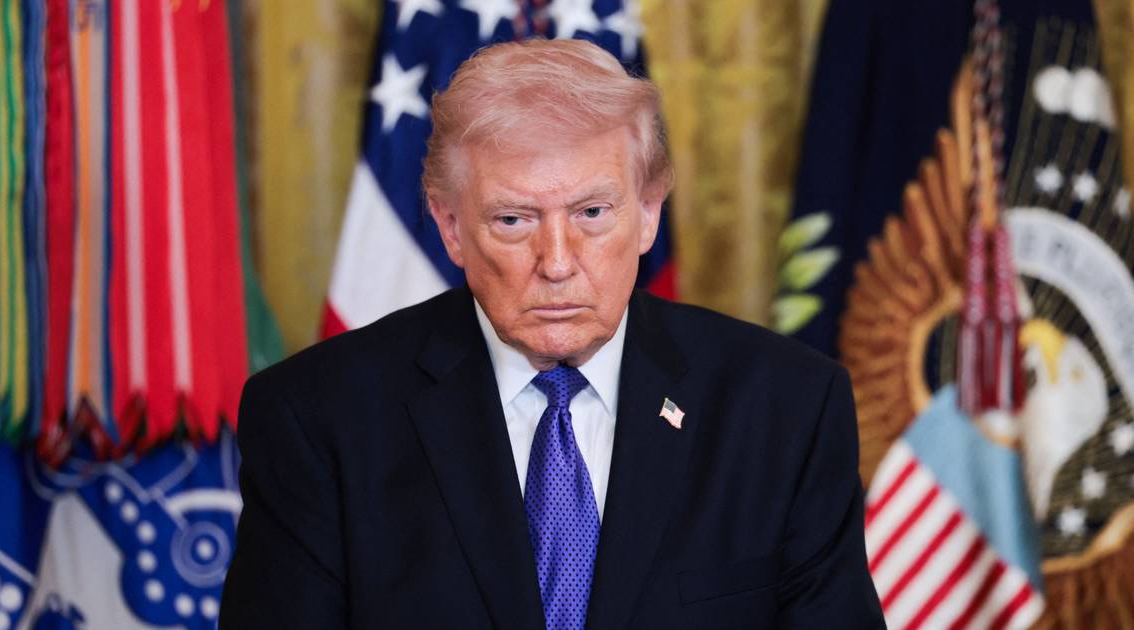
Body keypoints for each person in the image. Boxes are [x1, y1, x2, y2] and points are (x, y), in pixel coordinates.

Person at [219, 39, 883, 629]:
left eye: (592, 212)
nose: (558, 262)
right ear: (450, 227)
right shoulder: (319, 418)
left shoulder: (787, 408)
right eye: (513, 220)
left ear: (649, 212)